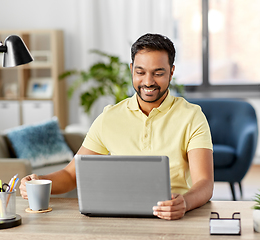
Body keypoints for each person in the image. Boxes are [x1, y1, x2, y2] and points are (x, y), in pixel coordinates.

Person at [20, 33, 214, 220]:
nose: (148, 81)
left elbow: (204, 183)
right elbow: (71, 175)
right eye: (140, 72)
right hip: (119, 216)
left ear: (171, 72)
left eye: (158, 73)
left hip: (174, 215)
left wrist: (185, 203)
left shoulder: (192, 116)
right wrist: (38, 183)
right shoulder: (109, 118)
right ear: (131, 70)